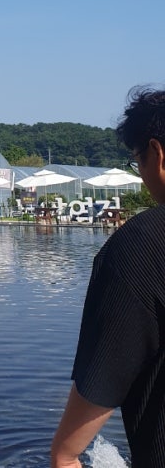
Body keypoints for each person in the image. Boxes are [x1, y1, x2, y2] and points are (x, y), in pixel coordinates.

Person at [51, 87, 165, 467]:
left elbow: (68, 453)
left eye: (137, 160)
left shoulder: (141, 249)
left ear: (157, 154)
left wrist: (64, 455)